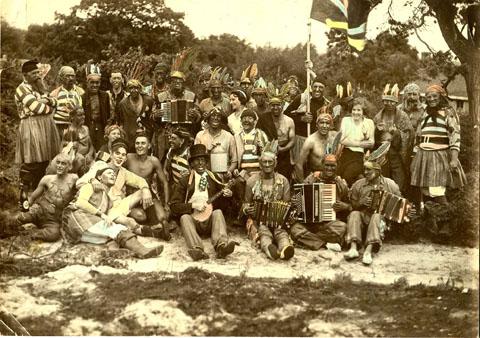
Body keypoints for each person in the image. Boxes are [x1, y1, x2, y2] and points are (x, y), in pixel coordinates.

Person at [63, 165, 164, 259]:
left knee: (115, 236)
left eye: (114, 174)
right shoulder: (90, 186)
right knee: (117, 229)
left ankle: (111, 252)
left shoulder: (108, 199)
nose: (113, 175)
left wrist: (131, 224)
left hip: (82, 232)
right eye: (109, 173)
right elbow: (80, 203)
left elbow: (113, 216)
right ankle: (143, 251)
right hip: (78, 219)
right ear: (99, 177)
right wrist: (102, 215)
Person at [410, 84, 466, 238]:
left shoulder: (449, 112)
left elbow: (455, 137)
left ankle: (447, 225)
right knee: (426, 191)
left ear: (441, 96)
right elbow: (417, 138)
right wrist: (415, 158)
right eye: (428, 97)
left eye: (435, 96)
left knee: (437, 191)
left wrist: (454, 159)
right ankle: (431, 227)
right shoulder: (424, 114)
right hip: (423, 155)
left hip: (440, 155)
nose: (432, 99)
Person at [76, 138, 160, 237]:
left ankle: (156, 225)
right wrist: (92, 180)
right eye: (117, 153)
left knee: (143, 191)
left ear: (125, 159)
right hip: (105, 208)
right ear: (111, 154)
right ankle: (155, 233)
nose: (120, 157)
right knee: (129, 221)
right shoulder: (100, 165)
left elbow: (140, 181)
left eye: (123, 155)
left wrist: (146, 190)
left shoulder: (123, 172)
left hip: (119, 205)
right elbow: (78, 183)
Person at [170, 144, 237, 261]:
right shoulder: (184, 181)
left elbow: (223, 206)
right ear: (191, 164)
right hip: (193, 222)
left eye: (203, 160)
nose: (200, 163)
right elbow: (174, 206)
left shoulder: (214, 178)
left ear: (206, 162)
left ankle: (221, 246)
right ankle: (197, 249)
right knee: (184, 218)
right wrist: (192, 206)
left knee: (218, 212)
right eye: (197, 161)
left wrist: (227, 197)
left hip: (210, 221)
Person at [15, 59, 61, 209]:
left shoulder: (39, 87)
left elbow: (56, 102)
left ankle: (38, 196)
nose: (37, 76)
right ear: (25, 75)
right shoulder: (22, 89)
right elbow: (36, 108)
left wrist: (46, 100)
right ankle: (24, 199)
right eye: (33, 73)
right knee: (32, 161)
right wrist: (48, 104)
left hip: (46, 125)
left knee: (44, 162)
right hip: (31, 125)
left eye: (37, 72)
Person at [7, 153, 78, 242]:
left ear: (70, 167)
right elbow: (32, 197)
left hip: (54, 218)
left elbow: (84, 188)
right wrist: (25, 205)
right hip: (39, 210)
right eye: (58, 163)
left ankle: (30, 234)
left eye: (63, 163)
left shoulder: (74, 179)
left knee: (53, 235)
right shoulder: (47, 179)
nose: (59, 166)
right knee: (19, 219)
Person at [242, 141, 294, 260]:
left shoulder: (283, 181)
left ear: (275, 164)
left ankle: (286, 248)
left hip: (277, 220)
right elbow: (245, 203)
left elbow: (287, 204)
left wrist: (283, 215)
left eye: (270, 162)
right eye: (264, 162)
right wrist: (247, 209)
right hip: (258, 220)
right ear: (260, 164)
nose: (267, 164)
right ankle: (269, 249)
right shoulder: (251, 181)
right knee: (263, 232)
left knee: (281, 232)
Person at [344, 159, 402, 265]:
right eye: (364, 169)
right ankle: (353, 248)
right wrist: (361, 203)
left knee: (376, 215)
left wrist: (407, 211)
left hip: (381, 222)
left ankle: (368, 251)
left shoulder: (390, 184)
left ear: (378, 171)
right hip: (363, 219)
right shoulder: (358, 184)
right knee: (354, 214)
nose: (365, 172)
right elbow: (352, 206)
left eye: (368, 170)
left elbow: (400, 204)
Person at [290, 154, 350, 250]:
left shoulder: (341, 184)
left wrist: (345, 206)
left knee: (342, 227)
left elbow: (350, 205)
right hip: (308, 224)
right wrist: (296, 201)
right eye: (327, 165)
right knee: (294, 229)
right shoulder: (311, 178)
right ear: (322, 165)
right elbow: (299, 196)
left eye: (332, 166)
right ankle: (326, 244)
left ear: (337, 166)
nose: (329, 168)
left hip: (327, 225)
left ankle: (307, 240)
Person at [125, 132, 171, 240]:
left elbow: (164, 182)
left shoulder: (153, 161)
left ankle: (156, 225)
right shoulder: (128, 158)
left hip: (148, 196)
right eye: (137, 143)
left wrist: (166, 203)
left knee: (164, 217)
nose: (139, 146)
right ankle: (148, 226)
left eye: (143, 143)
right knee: (141, 216)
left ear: (149, 145)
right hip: (132, 197)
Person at [373, 84, 413, 193]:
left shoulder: (403, 116)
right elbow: (372, 138)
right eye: (386, 101)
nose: (389, 104)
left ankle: (397, 199)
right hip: (382, 153)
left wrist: (396, 133)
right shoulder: (378, 116)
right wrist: (377, 131)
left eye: (392, 102)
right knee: (383, 178)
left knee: (399, 179)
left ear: (396, 103)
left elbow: (409, 134)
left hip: (396, 153)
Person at [256, 87, 295, 180]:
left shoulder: (289, 121)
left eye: (278, 105)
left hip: (283, 156)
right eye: (273, 105)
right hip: (266, 155)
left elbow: (292, 141)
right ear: (269, 106)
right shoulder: (263, 118)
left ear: (282, 105)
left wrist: (282, 149)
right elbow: (258, 135)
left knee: (283, 180)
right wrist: (265, 150)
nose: (275, 107)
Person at [284, 81, 330, 160]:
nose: (317, 89)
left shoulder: (327, 105)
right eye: (315, 86)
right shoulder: (302, 99)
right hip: (300, 140)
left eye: (321, 87)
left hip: (317, 142)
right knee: (299, 166)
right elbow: (285, 116)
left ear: (325, 89)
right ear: (311, 87)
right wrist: (301, 119)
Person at [337, 98, 375, 186]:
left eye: (359, 110)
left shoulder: (369, 122)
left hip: (360, 156)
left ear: (363, 111)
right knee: (340, 178)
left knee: (348, 176)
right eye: (354, 109)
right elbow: (342, 140)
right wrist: (360, 144)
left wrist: (351, 142)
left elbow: (371, 143)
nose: (356, 112)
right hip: (345, 154)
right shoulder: (346, 120)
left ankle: (352, 196)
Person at [195, 107, 237, 178]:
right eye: (213, 116)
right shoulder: (200, 135)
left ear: (222, 120)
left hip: (222, 175)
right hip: (204, 175)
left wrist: (229, 171)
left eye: (218, 116)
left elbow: (234, 161)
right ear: (208, 119)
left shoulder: (229, 137)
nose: (215, 118)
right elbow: (195, 158)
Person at [295, 112, 338, 181]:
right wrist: (303, 184)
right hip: (316, 176)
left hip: (332, 175)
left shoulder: (335, 137)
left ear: (331, 126)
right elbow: (298, 164)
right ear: (317, 125)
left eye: (327, 123)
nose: (324, 126)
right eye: (321, 123)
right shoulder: (310, 141)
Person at [113, 79, 155, 149]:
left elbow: (152, 117)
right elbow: (121, 121)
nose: (133, 90)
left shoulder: (148, 100)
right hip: (129, 137)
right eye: (131, 88)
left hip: (145, 134)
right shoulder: (123, 104)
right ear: (128, 90)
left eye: (136, 88)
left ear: (140, 88)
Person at [50, 65, 84, 135]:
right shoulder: (55, 93)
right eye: (67, 76)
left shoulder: (80, 92)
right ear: (61, 78)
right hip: (58, 126)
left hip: (75, 126)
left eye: (73, 76)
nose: (71, 78)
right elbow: (52, 112)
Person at [82, 73, 112, 150]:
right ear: (87, 83)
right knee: (89, 148)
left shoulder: (105, 95)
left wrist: (107, 126)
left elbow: (108, 112)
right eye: (92, 82)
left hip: (101, 126)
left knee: (102, 148)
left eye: (97, 82)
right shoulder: (83, 97)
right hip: (88, 126)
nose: (95, 85)